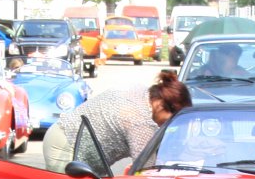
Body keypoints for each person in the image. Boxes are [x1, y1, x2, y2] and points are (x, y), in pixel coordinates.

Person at [44, 68, 189, 172]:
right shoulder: (140, 121)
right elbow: (146, 171)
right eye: (172, 118)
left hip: (64, 136)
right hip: (66, 144)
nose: (168, 124)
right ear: (160, 105)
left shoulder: (141, 91)